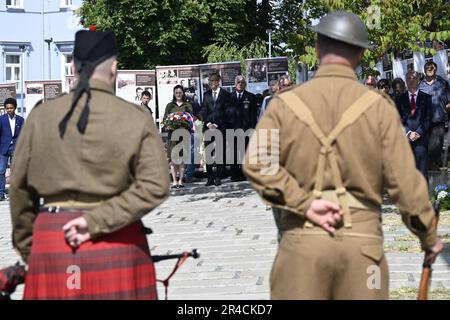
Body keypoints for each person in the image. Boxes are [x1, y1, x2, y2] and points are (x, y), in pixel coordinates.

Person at [243, 10, 443, 300]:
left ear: (317, 47)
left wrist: (305, 203)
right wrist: (428, 235)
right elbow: (405, 181)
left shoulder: (283, 105)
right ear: (361, 54)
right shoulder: (379, 107)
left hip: (300, 244)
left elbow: (257, 163)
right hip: (361, 249)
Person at [9, 30, 169, 300]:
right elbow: (156, 185)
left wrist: (33, 249)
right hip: (119, 240)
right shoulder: (135, 117)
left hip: (53, 239)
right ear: (114, 68)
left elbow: (19, 189)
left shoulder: (40, 117)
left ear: (73, 67)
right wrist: (98, 220)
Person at [395, 70, 433, 181]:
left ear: (418, 81)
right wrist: (408, 132)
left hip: (421, 140)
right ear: (406, 81)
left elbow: (428, 118)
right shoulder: (399, 99)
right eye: (409, 78)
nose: (411, 80)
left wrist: (418, 133)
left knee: (422, 172)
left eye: (414, 78)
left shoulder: (426, 98)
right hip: (405, 140)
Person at [199, 73, 230, 186]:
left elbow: (226, 112)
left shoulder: (225, 95)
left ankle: (218, 177)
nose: (211, 83)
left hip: (220, 128)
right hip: (208, 128)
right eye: (210, 81)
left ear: (218, 81)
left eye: (213, 80)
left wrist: (216, 124)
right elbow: (203, 110)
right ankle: (210, 178)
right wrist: (208, 124)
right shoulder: (206, 95)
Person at [224, 75, 257, 182]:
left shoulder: (251, 97)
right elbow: (226, 114)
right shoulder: (229, 97)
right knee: (233, 153)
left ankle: (244, 174)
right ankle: (234, 175)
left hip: (246, 130)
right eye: (238, 82)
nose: (240, 84)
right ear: (235, 84)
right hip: (232, 130)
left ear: (245, 84)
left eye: (242, 82)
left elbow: (253, 115)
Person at [418, 61, 450, 170]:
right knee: (426, 146)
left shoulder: (443, 83)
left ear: (436, 69)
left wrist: (446, 110)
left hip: (438, 118)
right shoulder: (419, 84)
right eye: (427, 67)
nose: (430, 69)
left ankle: (435, 166)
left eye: (432, 67)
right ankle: (432, 166)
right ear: (424, 70)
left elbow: (448, 101)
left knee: (436, 145)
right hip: (424, 121)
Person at [163, 85, 193, 189]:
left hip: (183, 135)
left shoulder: (187, 105)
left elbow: (191, 120)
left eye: (180, 92)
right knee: (172, 159)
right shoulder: (169, 105)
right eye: (176, 93)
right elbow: (165, 119)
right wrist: (167, 126)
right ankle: (174, 181)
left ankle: (180, 180)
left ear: (183, 93)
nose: (178, 94)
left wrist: (187, 125)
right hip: (172, 135)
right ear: (174, 94)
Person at [0, 98, 24, 201]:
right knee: (1, 170)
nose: (9, 110)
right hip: (3, 149)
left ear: (15, 108)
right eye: (7, 108)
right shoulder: (1, 119)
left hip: (15, 148)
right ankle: (1, 194)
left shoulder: (20, 120)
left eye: (11, 108)